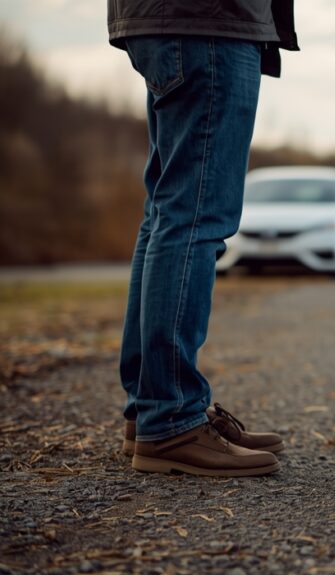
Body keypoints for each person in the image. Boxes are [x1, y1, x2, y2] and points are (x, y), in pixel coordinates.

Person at [108, 1, 298, 477]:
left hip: (173, 20)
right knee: (194, 215)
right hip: (208, 21)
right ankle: (171, 418)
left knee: (169, 211)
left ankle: (151, 407)